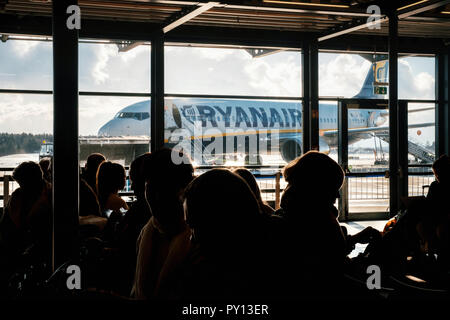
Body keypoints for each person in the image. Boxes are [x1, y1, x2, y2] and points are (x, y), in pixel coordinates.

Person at [178, 169, 271, 299]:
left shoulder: (214, 275)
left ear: (220, 223)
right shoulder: (275, 254)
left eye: (195, 227)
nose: (192, 239)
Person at [132, 148, 194, 300]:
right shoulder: (147, 232)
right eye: (150, 188)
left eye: (163, 189)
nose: (155, 197)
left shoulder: (200, 242)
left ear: (182, 190)